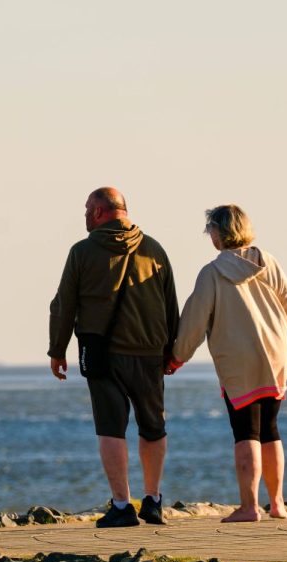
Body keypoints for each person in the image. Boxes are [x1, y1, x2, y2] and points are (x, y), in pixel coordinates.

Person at [166, 205, 287, 523]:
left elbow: (194, 320)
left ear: (219, 232)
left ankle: (249, 507)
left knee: (246, 430)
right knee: (271, 430)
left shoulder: (213, 273)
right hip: (276, 353)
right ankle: (277, 504)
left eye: (211, 231)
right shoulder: (268, 262)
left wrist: (177, 357)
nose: (211, 237)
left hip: (238, 359)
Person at [49, 187, 179, 527]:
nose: (84, 217)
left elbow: (64, 305)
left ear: (97, 213)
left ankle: (122, 506)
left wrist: (57, 349)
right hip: (150, 353)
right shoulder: (154, 249)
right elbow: (170, 306)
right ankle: (152, 500)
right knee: (153, 427)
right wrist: (172, 351)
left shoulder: (82, 252)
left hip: (102, 354)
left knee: (110, 428)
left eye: (85, 210)